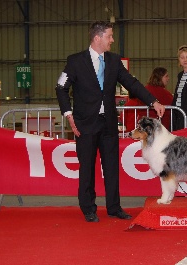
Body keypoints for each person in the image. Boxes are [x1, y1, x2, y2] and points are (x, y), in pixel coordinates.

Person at [55, 21, 165, 222]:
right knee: (87, 167)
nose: (112, 40)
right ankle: (88, 208)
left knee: (112, 167)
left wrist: (153, 101)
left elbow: (132, 83)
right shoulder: (75, 61)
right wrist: (68, 114)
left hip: (108, 124)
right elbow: (61, 87)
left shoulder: (114, 61)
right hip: (84, 124)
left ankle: (114, 207)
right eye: (109, 36)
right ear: (97, 38)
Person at [122, 67, 173, 132]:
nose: (168, 78)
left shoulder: (144, 91)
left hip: (143, 126)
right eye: (166, 76)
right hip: (159, 128)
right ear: (160, 77)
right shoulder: (165, 94)